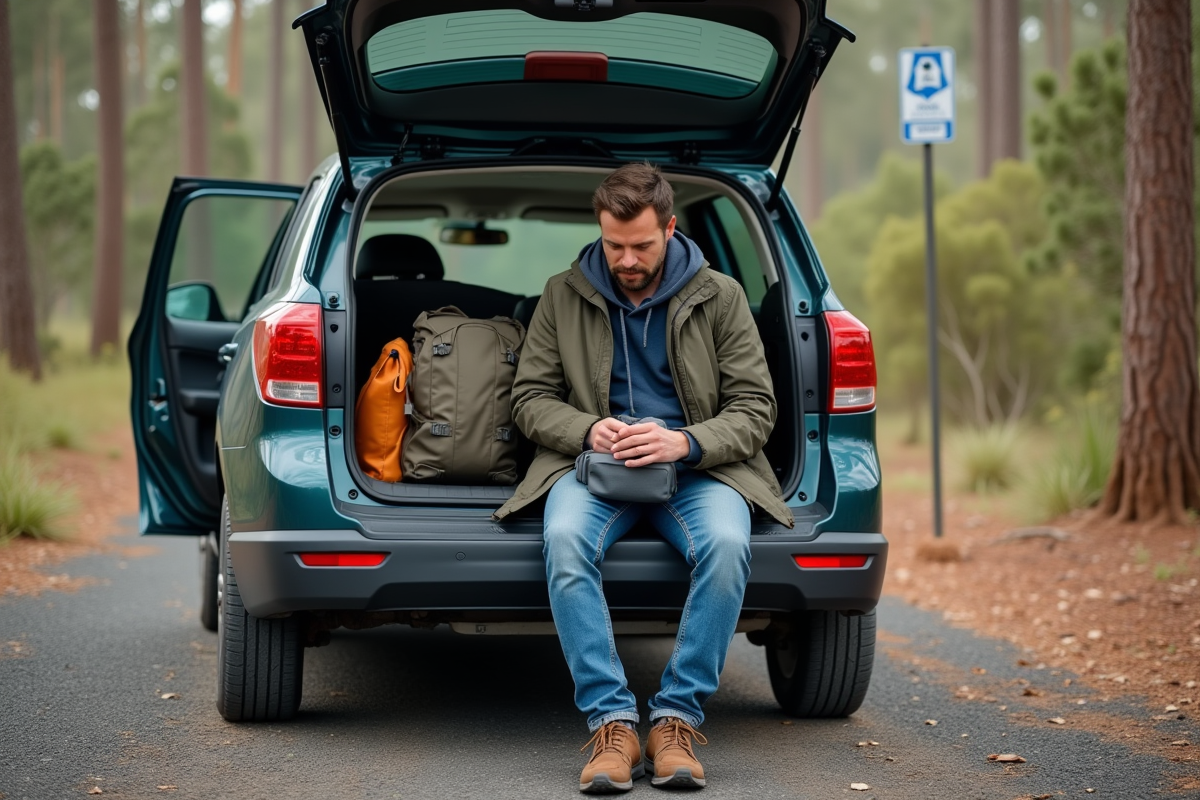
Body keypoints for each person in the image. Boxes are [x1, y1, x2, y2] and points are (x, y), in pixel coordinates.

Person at [493, 162, 793, 793]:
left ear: (671, 228)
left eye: (642, 246)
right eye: (614, 245)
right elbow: (528, 399)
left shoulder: (722, 296)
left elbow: (755, 408)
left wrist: (683, 441)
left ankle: (677, 719)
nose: (626, 260)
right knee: (566, 542)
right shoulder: (562, 292)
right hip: (594, 467)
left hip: (699, 469)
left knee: (730, 546)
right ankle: (613, 725)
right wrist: (587, 430)